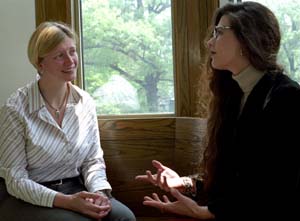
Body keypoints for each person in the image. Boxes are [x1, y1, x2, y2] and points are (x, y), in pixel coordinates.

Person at [135, 2, 300, 220]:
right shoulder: (234, 95)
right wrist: (186, 184)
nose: (209, 42)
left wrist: (206, 213)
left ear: (247, 39)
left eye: (219, 32)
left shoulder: (286, 98)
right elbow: (235, 180)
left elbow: (274, 190)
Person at [0, 21, 135, 221]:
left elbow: (93, 161)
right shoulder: (14, 109)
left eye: (72, 52)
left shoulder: (85, 102)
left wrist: (99, 193)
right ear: (39, 63)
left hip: (76, 187)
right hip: (27, 197)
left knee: (124, 217)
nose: (70, 61)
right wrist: (67, 201)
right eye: (59, 55)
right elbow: (16, 180)